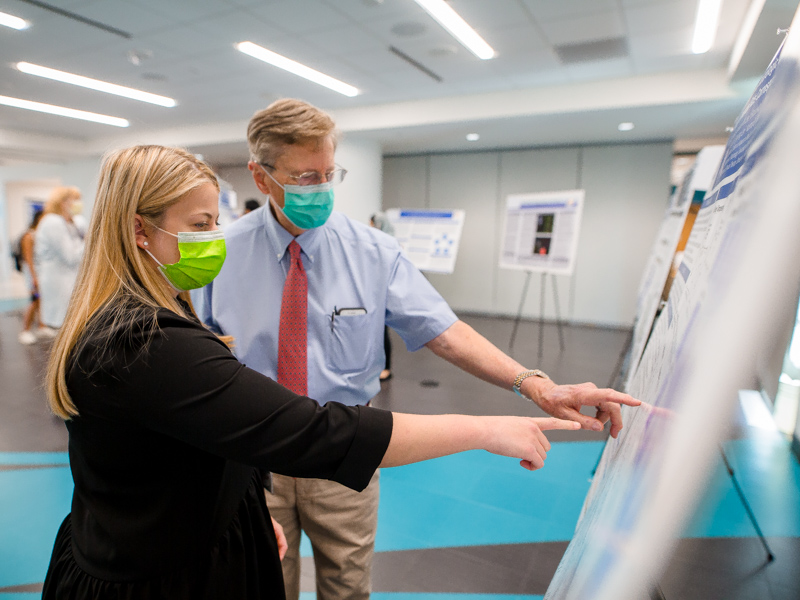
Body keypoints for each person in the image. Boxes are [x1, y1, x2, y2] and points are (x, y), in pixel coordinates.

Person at [41, 144, 583, 599]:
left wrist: (242, 505)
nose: (212, 238)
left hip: (210, 519)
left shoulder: (158, 309)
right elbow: (311, 430)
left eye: (329, 175)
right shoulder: (144, 341)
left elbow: (201, 429)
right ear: (140, 232)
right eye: (200, 224)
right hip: (162, 570)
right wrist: (486, 428)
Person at [192, 98, 641, 600]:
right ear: (260, 176)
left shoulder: (374, 253)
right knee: (262, 584)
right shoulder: (219, 255)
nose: (319, 189)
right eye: (302, 178)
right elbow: (196, 356)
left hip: (346, 451)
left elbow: (444, 331)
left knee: (348, 586)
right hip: (253, 456)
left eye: (327, 173)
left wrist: (534, 385)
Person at [35, 186, 84, 333]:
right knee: (63, 326)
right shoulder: (52, 222)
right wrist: (90, 240)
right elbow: (70, 256)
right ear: (62, 202)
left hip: (70, 278)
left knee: (72, 325)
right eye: (74, 200)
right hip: (59, 281)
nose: (78, 203)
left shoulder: (72, 222)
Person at [370, 212, 395, 381]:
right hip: (375, 291)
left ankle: (386, 368)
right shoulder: (375, 243)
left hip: (384, 292)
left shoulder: (388, 245)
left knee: (383, 332)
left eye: (372, 223)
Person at [17, 210, 44, 345]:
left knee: (39, 300)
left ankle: (41, 326)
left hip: (39, 272)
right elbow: (29, 259)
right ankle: (25, 330)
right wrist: (34, 277)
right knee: (34, 300)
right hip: (32, 273)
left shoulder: (40, 234)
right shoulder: (29, 236)